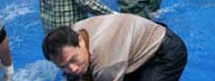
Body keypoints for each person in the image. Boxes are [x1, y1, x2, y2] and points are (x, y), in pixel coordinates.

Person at [42, 14, 187, 81]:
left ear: (80, 41)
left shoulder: (106, 64)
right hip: (131, 43)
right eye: (63, 66)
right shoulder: (73, 31)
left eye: (73, 60)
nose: (72, 69)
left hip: (165, 52)